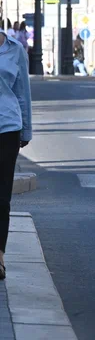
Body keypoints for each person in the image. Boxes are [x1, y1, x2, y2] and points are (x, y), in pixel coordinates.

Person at [0, 26, 31, 279]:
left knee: (1, 198)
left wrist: (26, 131)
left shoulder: (14, 49)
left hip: (7, 127)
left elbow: (22, 92)